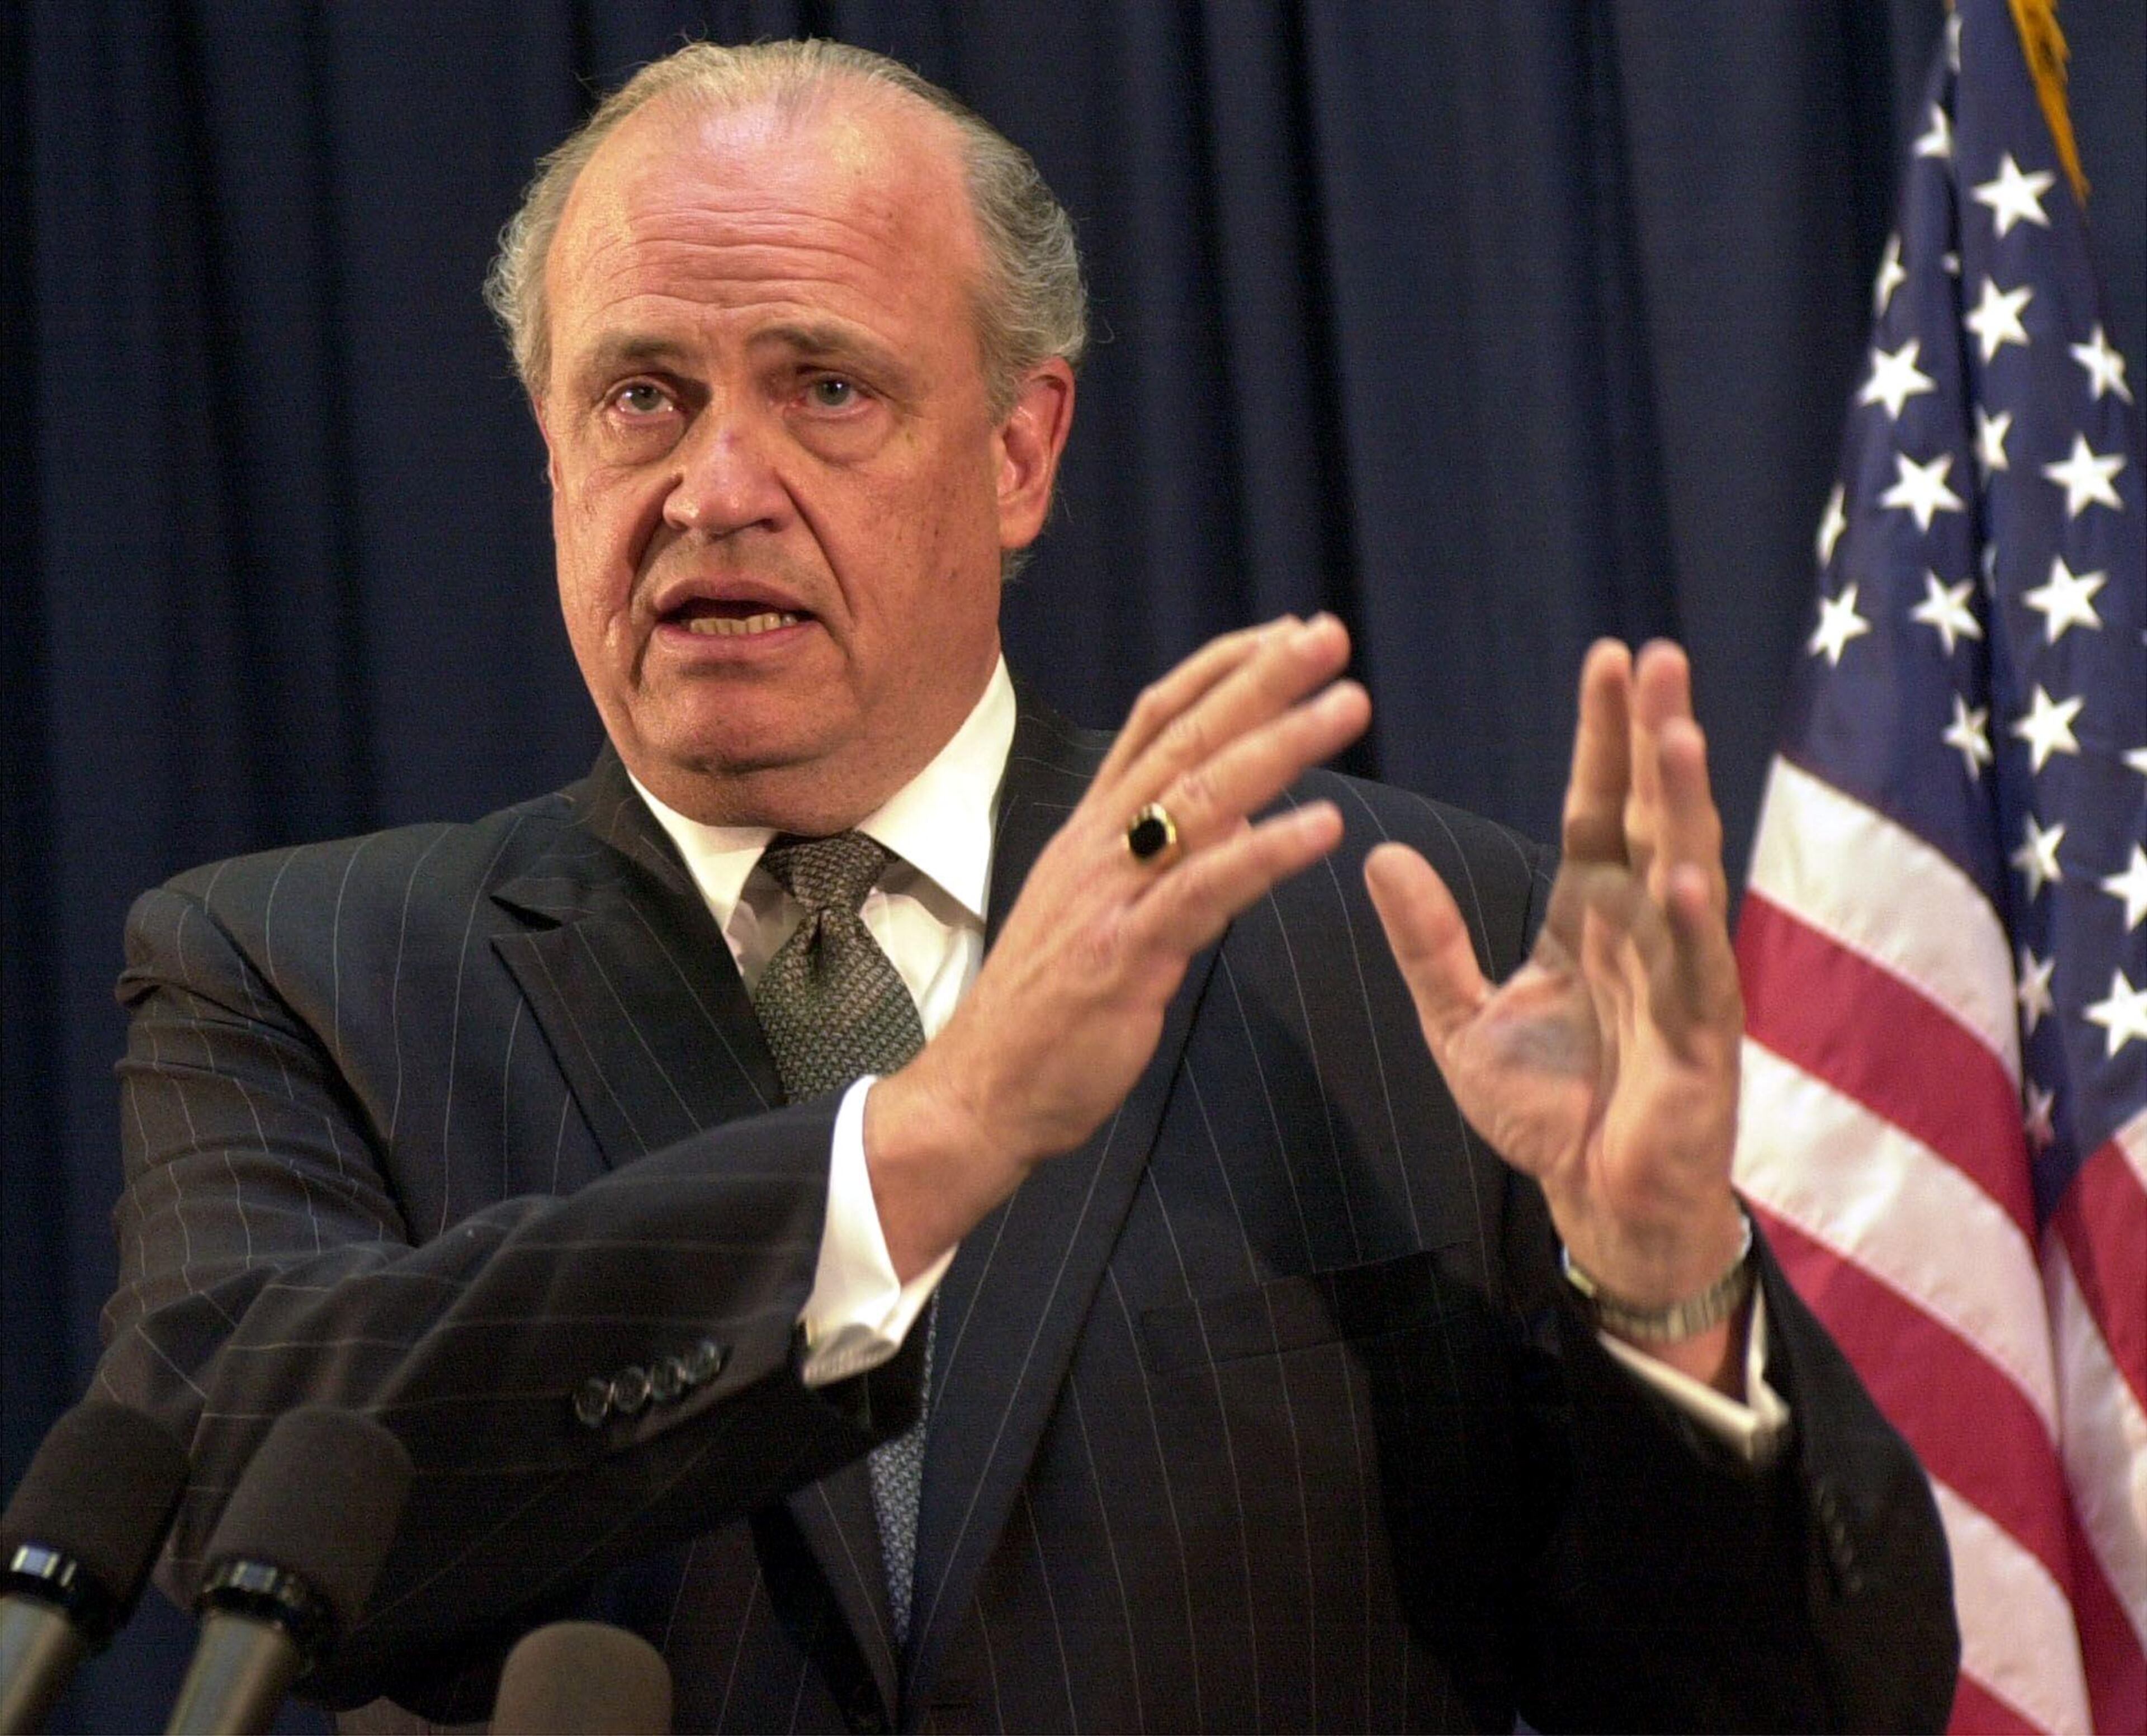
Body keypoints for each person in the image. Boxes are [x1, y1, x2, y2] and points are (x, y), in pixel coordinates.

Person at [98, 38, 1955, 1734]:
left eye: (825, 386)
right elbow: (244, 1482)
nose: (715, 485)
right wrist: (922, 1148)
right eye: (640, 397)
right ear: (552, 446)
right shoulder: (301, 969)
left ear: (1020, 451)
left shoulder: (1402, 949)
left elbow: (1795, 1702)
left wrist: (1663, 1292)